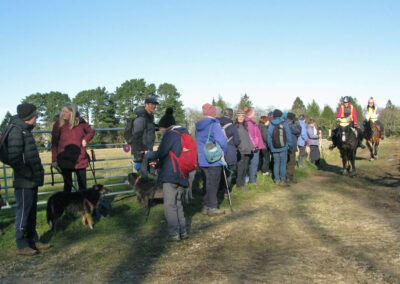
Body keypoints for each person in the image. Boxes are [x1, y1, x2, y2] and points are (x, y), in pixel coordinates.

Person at [8, 103, 51, 255]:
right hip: (24, 180)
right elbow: (14, 158)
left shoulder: (25, 130)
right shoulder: (17, 131)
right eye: (36, 115)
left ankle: (33, 240)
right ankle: (21, 244)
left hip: (31, 179)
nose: (37, 117)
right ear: (28, 117)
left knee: (31, 211)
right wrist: (27, 173)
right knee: (24, 211)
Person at [145, 108, 190, 241]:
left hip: (171, 175)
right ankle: (183, 232)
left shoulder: (170, 135)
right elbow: (171, 155)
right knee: (178, 204)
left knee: (169, 205)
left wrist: (148, 154)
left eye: (161, 129)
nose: (161, 132)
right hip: (183, 174)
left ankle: (173, 234)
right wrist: (159, 164)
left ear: (165, 126)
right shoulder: (184, 134)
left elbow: (160, 153)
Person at [51, 103, 94, 193]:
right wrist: (54, 160)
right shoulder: (58, 124)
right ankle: (67, 205)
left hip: (80, 158)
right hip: (64, 159)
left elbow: (91, 132)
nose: (63, 113)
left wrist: (85, 139)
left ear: (72, 112)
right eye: (62, 111)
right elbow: (54, 143)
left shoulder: (81, 122)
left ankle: (83, 206)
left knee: (82, 185)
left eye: (66, 111)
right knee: (68, 186)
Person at [195, 103, 228, 216]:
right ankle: (212, 207)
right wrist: (223, 153)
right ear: (213, 113)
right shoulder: (214, 124)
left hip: (202, 158)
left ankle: (205, 205)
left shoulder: (198, 125)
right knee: (213, 183)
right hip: (213, 158)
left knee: (207, 182)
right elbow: (222, 142)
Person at [131, 97, 159, 170]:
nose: (154, 106)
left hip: (148, 150)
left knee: (150, 174)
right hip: (142, 152)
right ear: (146, 105)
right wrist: (142, 151)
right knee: (143, 176)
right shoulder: (141, 118)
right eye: (152, 104)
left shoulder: (149, 117)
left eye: (155, 104)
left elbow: (150, 127)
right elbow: (136, 136)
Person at [267, 109, 293, 186]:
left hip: (274, 148)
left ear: (274, 115)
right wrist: (290, 145)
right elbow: (288, 136)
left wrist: (270, 146)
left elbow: (269, 137)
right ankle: (283, 180)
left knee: (276, 163)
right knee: (283, 164)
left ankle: (276, 180)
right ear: (281, 115)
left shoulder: (271, 124)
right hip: (283, 147)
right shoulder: (284, 124)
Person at [219, 108, 241, 197]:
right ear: (231, 115)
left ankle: (219, 190)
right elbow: (237, 141)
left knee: (219, 172)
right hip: (229, 152)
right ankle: (226, 192)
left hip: (218, 151)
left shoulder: (217, 123)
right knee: (229, 172)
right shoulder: (232, 126)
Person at [245, 108, 266, 185]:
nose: (254, 114)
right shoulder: (249, 123)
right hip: (254, 147)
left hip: (253, 146)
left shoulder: (250, 122)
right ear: (250, 114)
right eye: (253, 113)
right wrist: (255, 145)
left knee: (252, 163)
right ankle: (252, 180)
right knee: (254, 163)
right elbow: (251, 136)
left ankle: (251, 178)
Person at [235, 109, 254, 190]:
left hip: (247, 150)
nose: (241, 117)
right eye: (239, 116)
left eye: (242, 116)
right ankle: (239, 184)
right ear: (237, 117)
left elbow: (247, 138)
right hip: (240, 150)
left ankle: (243, 183)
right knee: (240, 168)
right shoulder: (235, 126)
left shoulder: (245, 126)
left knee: (245, 168)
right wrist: (238, 147)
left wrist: (251, 146)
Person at [286, 113, 301, 183]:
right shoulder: (291, 125)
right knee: (291, 162)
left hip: (285, 146)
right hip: (291, 145)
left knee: (285, 162)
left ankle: (285, 177)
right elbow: (298, 131)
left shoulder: (284, 123)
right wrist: (298, 124)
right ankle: (290, 177)